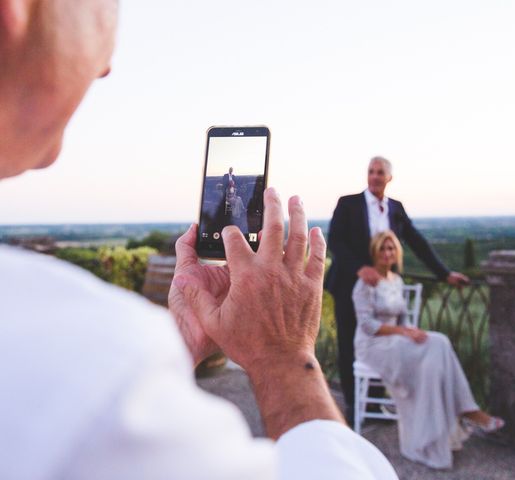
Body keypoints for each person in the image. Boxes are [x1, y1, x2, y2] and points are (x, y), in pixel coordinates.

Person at [0, 2, 397, 479]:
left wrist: (176, 345)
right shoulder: (98, 373)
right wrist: (286, 359)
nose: (105, 67)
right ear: (15, 12)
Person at [326, 156, 470, 423]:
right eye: (371, 171)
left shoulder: (396, 208)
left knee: (386, 342)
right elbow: (335, 240)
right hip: (349, 285)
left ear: (389, 178)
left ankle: (377, 407)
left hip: (384, 291)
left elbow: (416, 241)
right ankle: (355, 408)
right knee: (349, 345)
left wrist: (444, 273)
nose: (375, 176)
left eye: (380, 172)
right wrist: (360, 268)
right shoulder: (348, 204)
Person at [353, 230, 504, 469]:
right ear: (375, 252)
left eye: (391, 248)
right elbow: (367, 325)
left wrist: (411, 332)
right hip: (372, 345)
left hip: (396, 340)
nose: (387, 252)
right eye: (382, 248)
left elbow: (402, 320)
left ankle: (461, 412)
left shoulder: (397, 280)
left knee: (439, 342)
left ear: (397, 253)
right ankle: (463, 411)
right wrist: (405, 333)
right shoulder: (366, 282)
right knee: (433, 349)